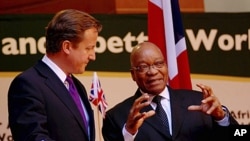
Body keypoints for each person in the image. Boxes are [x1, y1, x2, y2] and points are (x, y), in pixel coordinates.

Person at [102, 41, 238, 141]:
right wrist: (129, 133)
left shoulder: (200, 101)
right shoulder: (116, 117)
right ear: (133, 74)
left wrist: (221, 118)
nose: (153, 71)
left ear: (166, 66)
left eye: (158, 64)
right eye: (143, 67)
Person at [8, 9, 102, 141]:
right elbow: (32, 137)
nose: (93, 56)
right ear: (67, 46)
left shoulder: (76, 85)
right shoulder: (28, 84)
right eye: (88, 48)